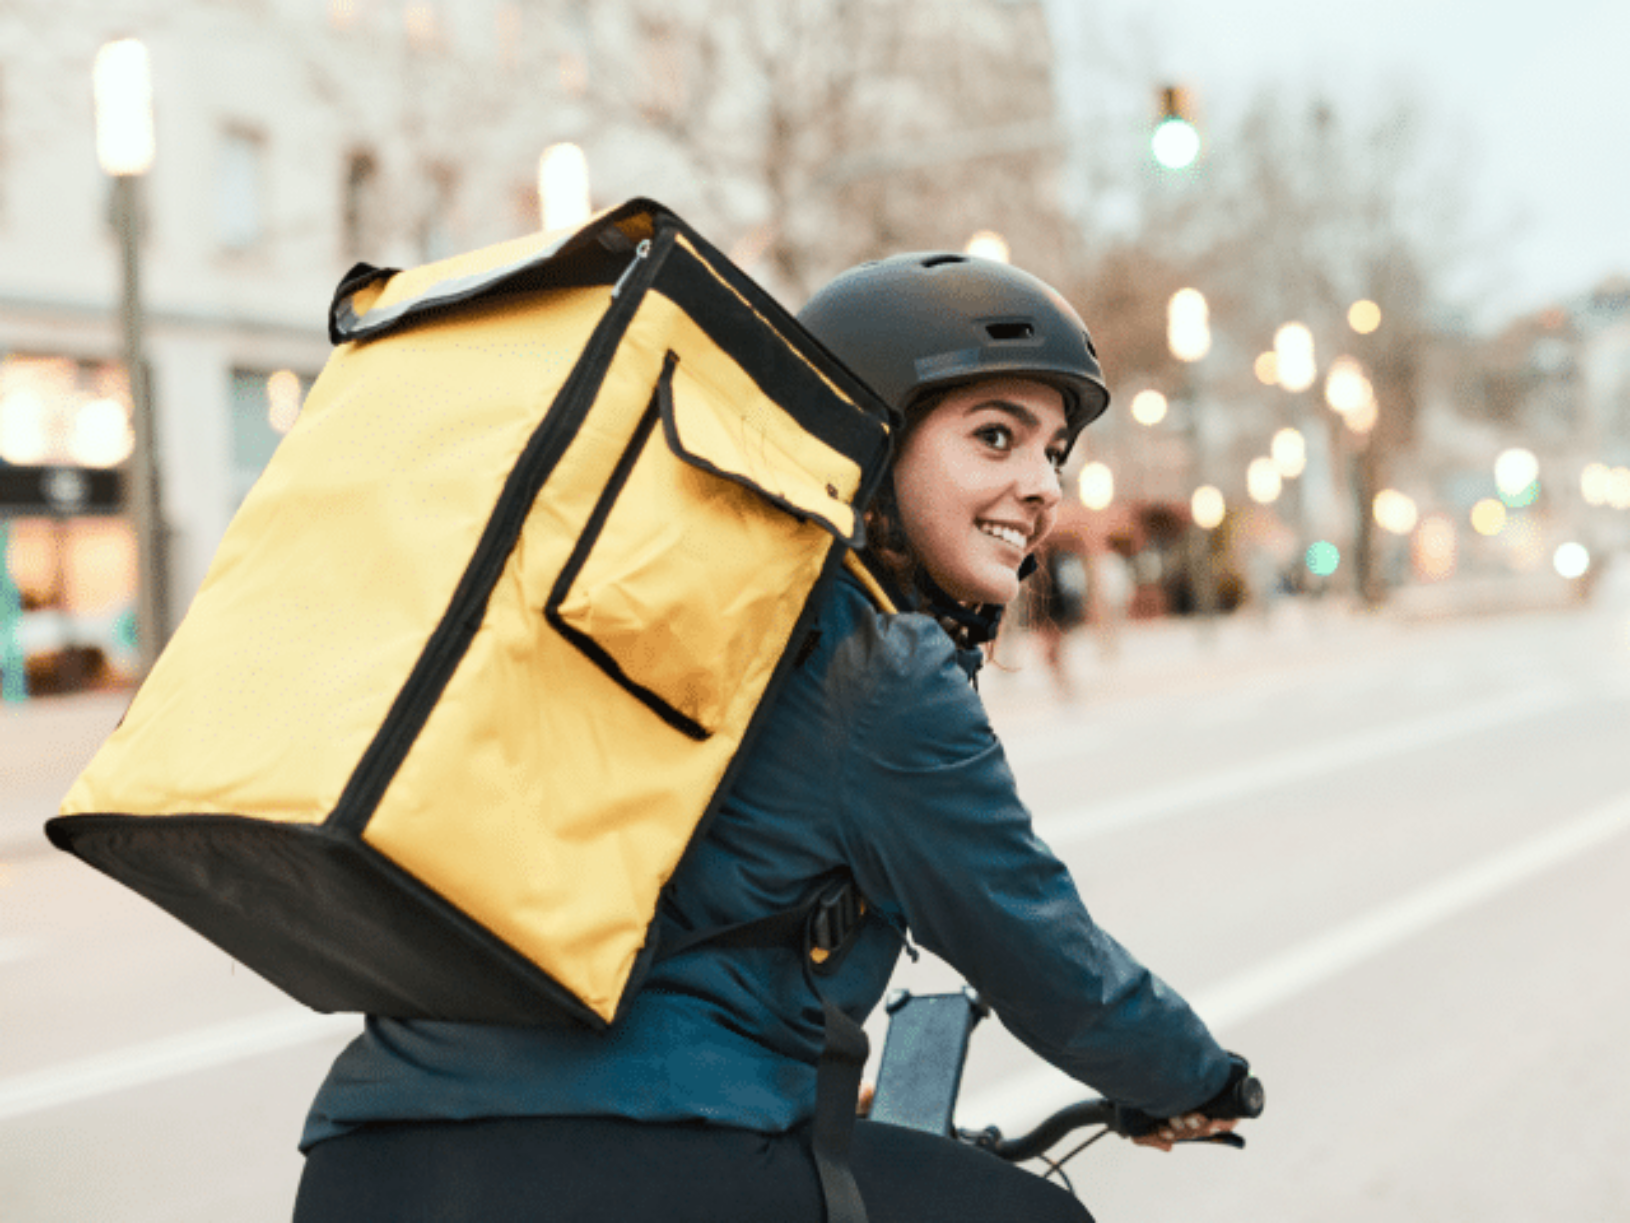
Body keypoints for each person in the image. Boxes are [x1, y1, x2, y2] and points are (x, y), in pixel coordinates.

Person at [292, 252, 1252, 1223]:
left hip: (370, 1158)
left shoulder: (628, 608)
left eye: (1053, 452)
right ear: (865, 443)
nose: (1041, 484)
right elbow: (1040, 952)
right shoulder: (874, 666)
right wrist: (1193, 1076)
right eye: (995, 436)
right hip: (621, 1159)